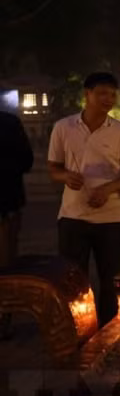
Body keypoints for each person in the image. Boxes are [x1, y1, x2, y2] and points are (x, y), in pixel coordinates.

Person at [47, 72, 120, 326]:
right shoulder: (64, 127)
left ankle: (110, 329)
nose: (108, 99)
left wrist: (108, 189)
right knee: (74, 279)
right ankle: (77, 330)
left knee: (111, 279)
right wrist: (65, 176)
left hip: (110, 218)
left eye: (112, 94)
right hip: (73, 216)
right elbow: (53, 167)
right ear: (87, 94)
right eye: (101, 93)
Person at [0, 110, 34, 339]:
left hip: (6, 203)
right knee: (5, 263)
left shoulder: (9, 122)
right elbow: (26, 161)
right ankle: (4, 318)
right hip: (6, 203)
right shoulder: (10, 122)